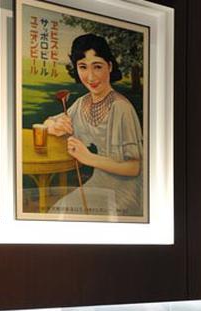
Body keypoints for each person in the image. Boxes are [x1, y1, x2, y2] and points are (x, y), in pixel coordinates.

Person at [44, 33, 143, 217]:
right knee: (57, 211)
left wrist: (88, 158)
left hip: (123, 193)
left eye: (97, 66)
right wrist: (54, 125)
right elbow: (48, 121)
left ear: (110, 66)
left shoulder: (121, 107)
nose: (90, 76)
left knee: (61, 213)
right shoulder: (82, 103)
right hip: (98, 186)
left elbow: (134, 167)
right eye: (82, 67)